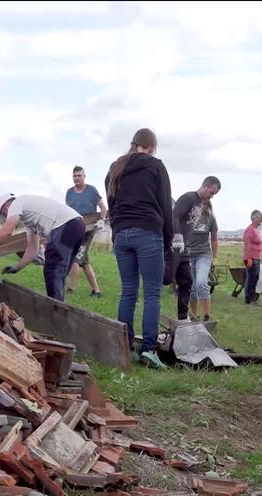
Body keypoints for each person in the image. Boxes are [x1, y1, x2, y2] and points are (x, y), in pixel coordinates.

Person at [106, 128, 174, 369]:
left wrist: (116, 231)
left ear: (133, 144)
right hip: (148, 232)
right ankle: (148, 349)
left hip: (122, 234)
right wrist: (168, 242)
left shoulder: (116, 167)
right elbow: (166, 205)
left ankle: (124, 346)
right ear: (152, 147)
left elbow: (111, 204)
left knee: (128, 292)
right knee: (152, 293)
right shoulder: (156, 166)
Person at [0, 193, 85, 302]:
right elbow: (33, 250)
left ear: (5, 205)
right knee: (59, 273)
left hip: (65, 224)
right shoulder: (30, 220)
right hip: (78, 225)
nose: (6, 216)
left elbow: (7, 231)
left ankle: (56, 309)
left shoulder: (16, 203)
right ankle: (60, 307)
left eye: (4, 213)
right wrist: (17, 267)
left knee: (52, 269)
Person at [173, 177, 221, 320]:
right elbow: (175, 217)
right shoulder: (190, 203)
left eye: (213, 196)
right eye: (211, 193)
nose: (211, 197)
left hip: (203, 254)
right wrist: (176, 239)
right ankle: (194, 316)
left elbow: (214, 238)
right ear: (205, 187)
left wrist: (215, 257)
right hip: (188, 252)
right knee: (191, 286)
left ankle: (206, 316)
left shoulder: (210, 218)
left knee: (201, 282)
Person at [65, 166, 107, 297]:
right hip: (74, 229)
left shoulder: (91, 191)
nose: (76, 178)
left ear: (84, 176)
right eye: (74, 176)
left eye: (79, 175)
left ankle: (71, 289)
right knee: (84, 262)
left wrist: (102, 220)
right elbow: (67, 211)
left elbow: (103, 207)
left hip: (88, 230)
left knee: (76, 258)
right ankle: (96, 290)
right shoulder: (69, 193)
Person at [242, 210, 262, 306]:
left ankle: (252, 298)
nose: (261, 220)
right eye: (259, 218)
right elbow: (247, 244)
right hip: (251, 258)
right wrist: (250, 258)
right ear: (254, 218)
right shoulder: (250, 230)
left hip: (257, 258)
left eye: (261, 218)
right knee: (251, 278)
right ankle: (249, 299)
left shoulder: (257, 230)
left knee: (255, 278)